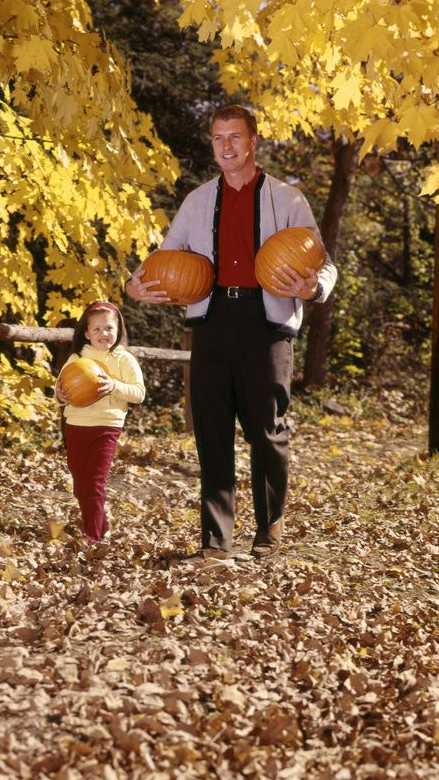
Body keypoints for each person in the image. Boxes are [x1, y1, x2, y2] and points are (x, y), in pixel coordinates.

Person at [126, 105, 337, 561]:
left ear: (254, 140)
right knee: (212, 428)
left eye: (235, 137)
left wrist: (314, 285)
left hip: (267, 321)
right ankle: (216, 539)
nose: (226, 146)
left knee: (266, 428)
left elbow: (324, 263)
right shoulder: (197, 201)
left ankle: (269, 525)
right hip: (211, 318)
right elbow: (164, 259)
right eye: (219, 138)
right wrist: (134, 286)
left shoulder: (288, 199)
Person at [55, 302, 145, 544]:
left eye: (108, 328)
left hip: (107, 426)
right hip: (76, 425)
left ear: (118, 330)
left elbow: (139, 393)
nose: (103, 334)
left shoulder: (124, 359)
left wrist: (114, 385)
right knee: (79, 485)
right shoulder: (77, 357)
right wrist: (60, 395)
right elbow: (61, 387)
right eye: (96, 329)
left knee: (93, 484)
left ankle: (93, 537)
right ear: (86, 333)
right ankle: (101, 526)